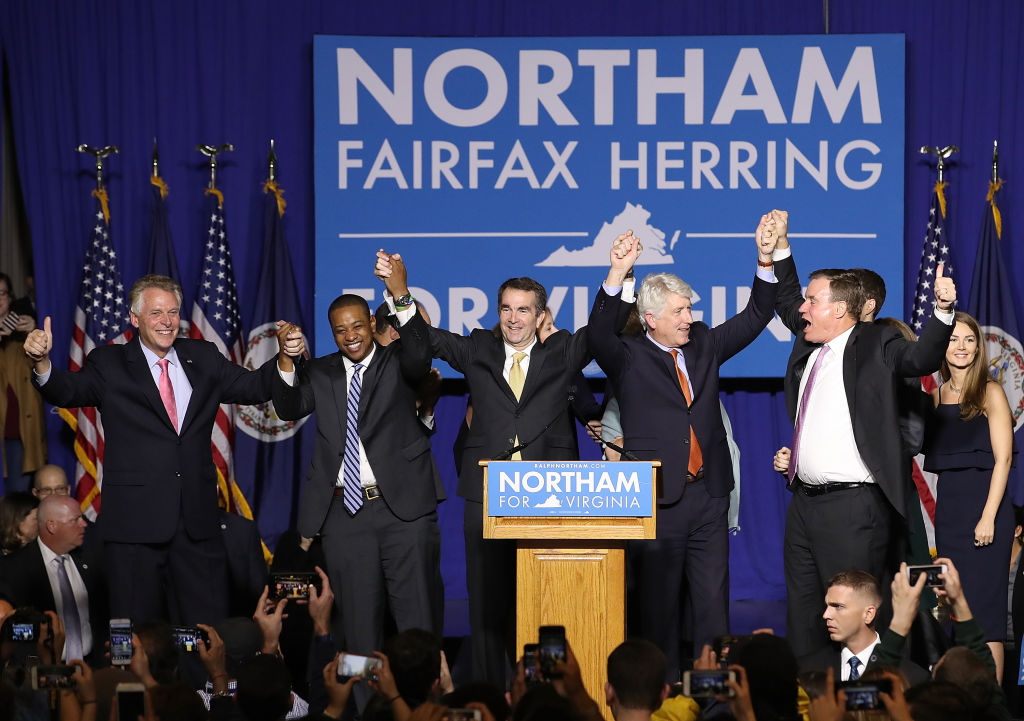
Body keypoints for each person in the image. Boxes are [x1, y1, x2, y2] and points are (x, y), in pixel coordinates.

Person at [22, 273, 301, 625]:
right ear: (135, 318)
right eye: (156, 313)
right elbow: (67, 390)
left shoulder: (203, 356)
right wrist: (42, 364)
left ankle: (203, 682)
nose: (166, 321)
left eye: (172, 312)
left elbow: (253, 386)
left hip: (197, 526)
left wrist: (285, 357)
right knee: (138, 633)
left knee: (204, 630)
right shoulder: (109, 363)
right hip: (135, 528)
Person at [374, 251, 596, 688]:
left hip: (549, 490)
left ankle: (546, 694)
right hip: (487, 495)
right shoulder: (478, 348)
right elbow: (428, 340)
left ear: (540, 315)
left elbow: (604, 332)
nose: (514, 319)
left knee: (546, 596)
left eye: (524, 310)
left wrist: (618, 275)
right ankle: (494, 692)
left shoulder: (561, 354)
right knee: (487, 603)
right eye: (507, 309)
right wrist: (401, 293)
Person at [587, 224, 780, 675]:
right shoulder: (628, 357)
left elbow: (757, 313)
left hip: (708, 494)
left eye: (689, 307)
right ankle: (662, 691)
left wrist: (765, 260)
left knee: (713, 604)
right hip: (658, 498)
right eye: (678, 311)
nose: (688, 317)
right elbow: (598, 334)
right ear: (650, 318)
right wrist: (618, 272)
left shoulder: (705, 345)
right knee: (658, 609)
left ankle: (713, 690)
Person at [767, 210, 957, 658]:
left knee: (852, 616)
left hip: (853, 509)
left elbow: (920, 360)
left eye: (813, 302)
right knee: (807, 612)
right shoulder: (809, 344)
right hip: (804, 505)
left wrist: (943, 313)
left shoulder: (876, 343)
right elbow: (786, 298)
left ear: (838, 309)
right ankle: (813, 697)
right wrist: (780, 248)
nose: (802, 309)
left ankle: (862, 700)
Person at [271, 294, 445, 679]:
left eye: (357, 326)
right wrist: (285, 358)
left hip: (403, 512)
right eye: (340, 330)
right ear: (332, 333)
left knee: (417, 625)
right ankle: (363, 707)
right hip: (345, 515)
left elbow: (419, 353)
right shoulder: (320, 371)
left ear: (370, 322)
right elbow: (287, 406)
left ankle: (423, 706)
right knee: (358, 633)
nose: (350, 336)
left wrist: (400, 294)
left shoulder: (398, 360)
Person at [923, 311, 1016, 681]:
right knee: (954, 610)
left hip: (986, 511)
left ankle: (990, 703)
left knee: (985, 615)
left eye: (969, 340)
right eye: (952, 339)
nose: (961, 347)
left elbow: (1004, 459)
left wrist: (989, 516)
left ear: (979, 346)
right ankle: (961, 702)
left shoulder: (990, 392)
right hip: (950, 515)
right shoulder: (934, 396)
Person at [0, 494, 106, 664]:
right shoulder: (13, 569)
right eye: (75, 520)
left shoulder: (93, 559)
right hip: (39, 671)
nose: (84, 524)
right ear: (52, 526)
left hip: (93, 665)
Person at [798, 570, 928, 684]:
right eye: (827, 606)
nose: (826, 615)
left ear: (868, 614)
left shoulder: (912, 677)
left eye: (838, 606)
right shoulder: (806, 669)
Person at [0, 271, 45, 493]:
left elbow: (43, 371)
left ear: (11, 297)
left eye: (2, 293)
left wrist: (34, 335)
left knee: (18, 501)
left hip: (18, 435)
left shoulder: (21, 334)